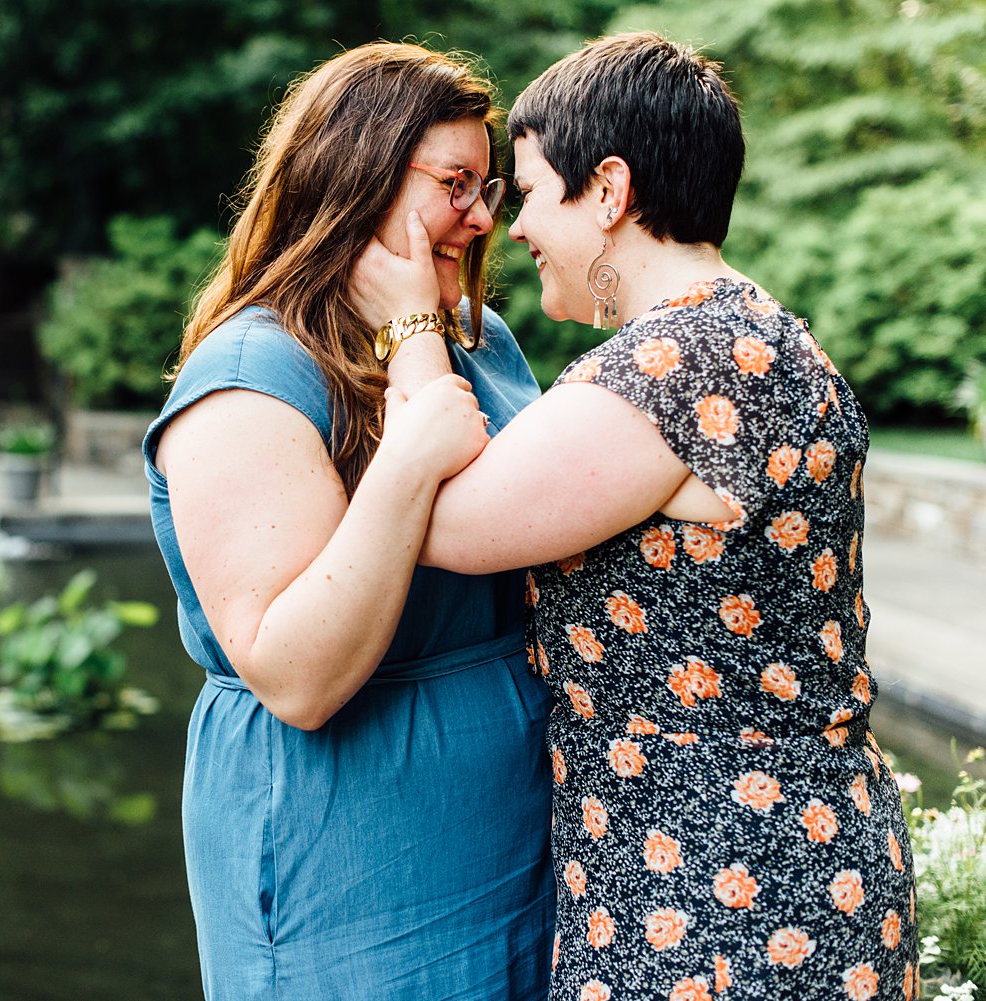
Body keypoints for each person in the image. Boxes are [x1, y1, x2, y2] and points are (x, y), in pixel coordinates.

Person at [351, 31, 918, 1001]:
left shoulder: (672, 366)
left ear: (608, 191)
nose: (510, 226)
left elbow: (433, 518)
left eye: (529, 191)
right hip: (800, 864)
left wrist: (409, 324)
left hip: (716, 898)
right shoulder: (759, 334)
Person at [142, 42, 555, 1000]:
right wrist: (407, 463)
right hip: (350, 838)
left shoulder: (476, 338)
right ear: (356, 176)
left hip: (515, 827)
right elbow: (297, 674)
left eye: (488, 186)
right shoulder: (252, 377)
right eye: (455, 183)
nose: (483, 215)